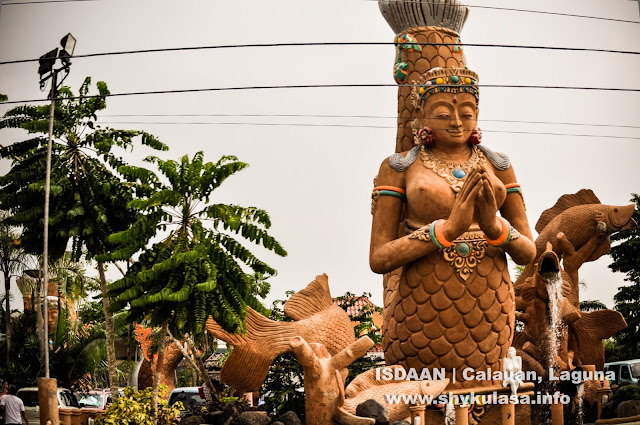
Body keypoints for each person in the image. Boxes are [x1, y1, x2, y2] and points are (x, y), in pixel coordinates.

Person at [370, 67, 536, 389]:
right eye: (443, 113)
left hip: (491, 301)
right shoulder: (399, 166)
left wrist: (492, 225)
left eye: (467, 113)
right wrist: (446, 231)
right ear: (420, 114)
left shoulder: (499, 164)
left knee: (488, 393)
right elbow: (379, 258)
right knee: (427, 398)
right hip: (422, 302)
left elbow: (528, 251)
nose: (457, 122)